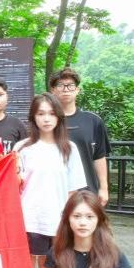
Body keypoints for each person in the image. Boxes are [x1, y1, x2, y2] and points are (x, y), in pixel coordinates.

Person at [14, 93, 86, 268]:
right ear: (33, 117)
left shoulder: (69, 149)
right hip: (26, 218)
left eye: (51, 114)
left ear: (59, 117)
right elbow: (13, 184)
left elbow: (73, 190)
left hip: (55, 221)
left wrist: (67, 220)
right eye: (41, 113)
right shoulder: (22, 148)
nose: (46, 119)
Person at [49, 68, 111, 205]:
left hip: (87, 191)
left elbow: (99, 156)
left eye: (70, 85)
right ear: (53, 90)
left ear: (77, 90)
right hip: (54, 191)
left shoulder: (93, 121)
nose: (66, 89)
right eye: (60, 85)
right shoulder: (46, 121)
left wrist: (104, 188)